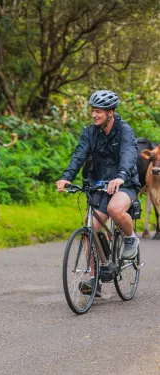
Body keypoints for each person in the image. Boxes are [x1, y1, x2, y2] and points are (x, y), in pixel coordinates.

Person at [56, 90, 140, 295]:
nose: (94, 115)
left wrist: (120, 176)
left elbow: (128, 154)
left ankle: (130, 238)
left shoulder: (124, 131)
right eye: (93, 111)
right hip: (100, 184)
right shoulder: (90, 132)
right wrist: (67, 176)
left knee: (115, 210)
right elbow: (79, 155)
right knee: (90, 227)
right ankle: (96, 277)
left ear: (110, 112)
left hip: (125, 183)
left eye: (98, 112)